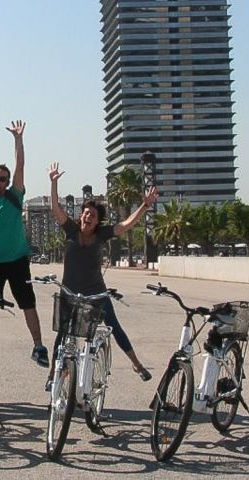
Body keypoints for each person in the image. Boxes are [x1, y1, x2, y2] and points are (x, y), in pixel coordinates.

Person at [46, 162, 159, 387]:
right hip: (69, 292)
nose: (88, 217)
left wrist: (144, 206)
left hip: (96, 293)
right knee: (63, 333)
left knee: (114, 326)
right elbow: (56, 208)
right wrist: (53, 183)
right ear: (81, 216)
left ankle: (136, 363)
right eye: (86, 213)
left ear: (98, 221)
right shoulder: (71, 229)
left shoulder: (102, 234)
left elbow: (126, 224)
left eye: (93, 215)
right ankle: (53, 375)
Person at [0, 120, 48, 367]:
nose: (0, 182)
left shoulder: (14, 197)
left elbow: (20, 165)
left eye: (4, 179)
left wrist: (18, 140)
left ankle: (38, 346)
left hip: (17, 261)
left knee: (28, 303)